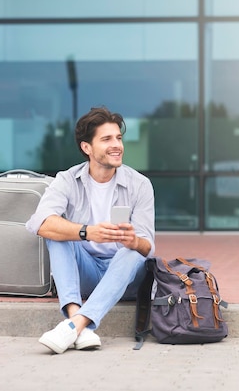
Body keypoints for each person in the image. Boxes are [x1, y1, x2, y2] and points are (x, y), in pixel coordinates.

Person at [26, 106, 155, 354]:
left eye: (118, 138)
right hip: (87, 272)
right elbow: (41, 223)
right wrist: (86, 232)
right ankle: (79, 325)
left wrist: (133, 241)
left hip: (126, 278)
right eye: (106, 139)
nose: (116, 145)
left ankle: (74, 325)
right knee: (59, 235)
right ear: (87, 148)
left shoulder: (140, 185)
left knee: (132, 252)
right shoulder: (67, 179)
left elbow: (148, 246)